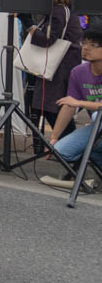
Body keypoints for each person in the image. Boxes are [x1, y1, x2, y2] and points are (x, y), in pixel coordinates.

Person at [21, 0, 82, 133]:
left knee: (53, 108)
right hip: (61, 68)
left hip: (57, 70)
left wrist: (28, 23)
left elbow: (46, 39)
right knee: (53, 108)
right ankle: (65, 147)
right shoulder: (65, 10)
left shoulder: (59, 12)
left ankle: (67, 148)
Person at [41, 28, 102, 189]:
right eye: (85, 43)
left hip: (98, 123)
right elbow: (69, 105)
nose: (86, 48)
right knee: (60, 151)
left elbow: (76, 103)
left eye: (94, 45)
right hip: (97, 131)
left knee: (98, 116)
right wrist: (54, 138)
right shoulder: (78, 72)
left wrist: (81, 103)